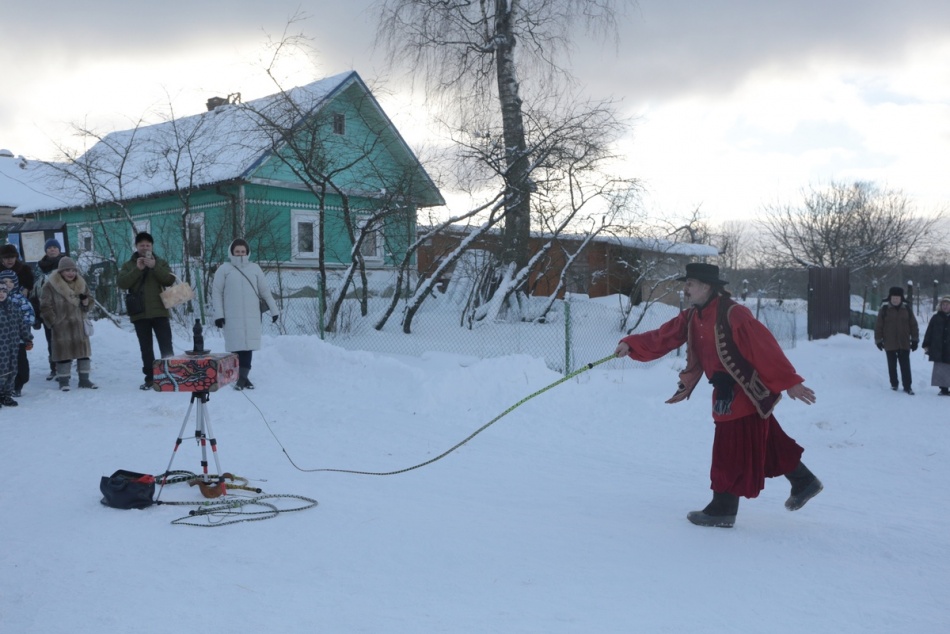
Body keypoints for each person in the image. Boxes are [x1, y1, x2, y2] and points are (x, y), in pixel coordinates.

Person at [613, 262, 822, 528]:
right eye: (685, 284)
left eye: (690, 284)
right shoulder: (692, 316)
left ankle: (722, 509)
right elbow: (663, 336)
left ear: (707, 287)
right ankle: (804, 482)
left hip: (743, 391)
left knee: (729, 449)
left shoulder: (734, 314)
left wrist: (789, 382)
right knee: (767, 441)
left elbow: (764, 348)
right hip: (726, 391)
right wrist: (631, 344)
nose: (685, 289)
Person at [211, 238, 279, 390]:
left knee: (248, 346)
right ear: (232, 252)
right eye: (237, 251)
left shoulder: (255, 268)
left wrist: (274, 310)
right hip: (231, 315)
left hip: (251, 315)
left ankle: (242, 378)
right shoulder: (224, 269)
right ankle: (241, 377)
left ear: (247, 252)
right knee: (237, 347)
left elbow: (265, 291)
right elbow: (217, 293)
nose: (240, 254)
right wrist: (219, 315)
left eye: (243, 251)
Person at [117, 232, 175, 390]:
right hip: (139, 312)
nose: (145, 248)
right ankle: (150, 377)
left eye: (148, 245)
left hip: (160, 311)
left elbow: (169, 279)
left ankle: (169, 374)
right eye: (141, 245)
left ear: (152, 246)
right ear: (136, 246)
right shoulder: (129, 264)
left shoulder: (160, 262)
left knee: (166, 344)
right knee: (146, 347)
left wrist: (154, 266)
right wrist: (138, 269)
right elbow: (122, 283)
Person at [39, 257, 97, 391]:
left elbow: (90, 299)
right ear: (60, 272)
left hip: (79, 324)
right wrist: (53, 322)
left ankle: (84, 380)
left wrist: (86, 303)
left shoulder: (81, 283)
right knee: (63, 354)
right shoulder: (50, 285)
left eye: (73, 270)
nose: (71, 273)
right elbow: (45, 306)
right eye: (67, 270)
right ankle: (63, 381)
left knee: (83, 353)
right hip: (61, 326)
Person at [33, 238, 67, 380]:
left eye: (55, 247)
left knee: (64, 339)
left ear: (59, 250)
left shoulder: (66, 263)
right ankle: (54, 368)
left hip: (64, 308)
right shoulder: (38, 267)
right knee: (51, 340)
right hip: (46, 308)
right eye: (49, 247)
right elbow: (35, 288)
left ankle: (65, 368)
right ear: (45, 250)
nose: (52, 249)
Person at [874, 286, 919, 395]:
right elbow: (878, 326)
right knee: (892, 366)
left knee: (905, 366)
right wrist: (878, 340)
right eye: (893, 297)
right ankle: (894, 384)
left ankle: (907, 386)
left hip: (904, 343)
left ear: (901, 298)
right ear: (890, 298)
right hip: (889, 343)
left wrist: (915, 340)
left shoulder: (907, 309)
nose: (895, 300)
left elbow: (913, 325)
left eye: (897, 298)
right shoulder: (884, 310)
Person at [0, 270, 36, 397]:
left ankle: (19, 384)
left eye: (11, 281)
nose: (8, 284)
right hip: (3, 342)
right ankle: (7, 389)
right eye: (5, 281)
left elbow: (28, 316)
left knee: (21, 366)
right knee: (4, 366)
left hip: (17, 340)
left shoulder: (20, 299)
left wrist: (25, 334)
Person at [922, 295, 950, 396]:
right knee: (941, 368)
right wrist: (926, 344)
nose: (945, 306)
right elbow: (929, 331)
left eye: (947, 304)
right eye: (944, 304)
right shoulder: (936, 317)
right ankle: (943, 389)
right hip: (938, 347)